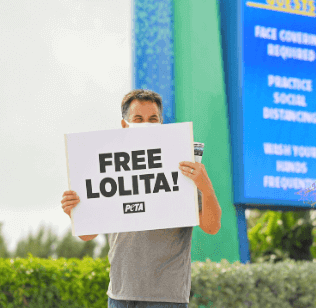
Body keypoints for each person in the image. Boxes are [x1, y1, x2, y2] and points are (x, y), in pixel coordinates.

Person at [60, 89, 222, 308]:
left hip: (167, 297)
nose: (146, 124)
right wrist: (75, 212)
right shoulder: (107, 167)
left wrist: (206, 186)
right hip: (120, 293)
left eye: (152, 119)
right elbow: (88, 235)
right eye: (139, 119)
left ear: (162, 124)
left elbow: (211, 227)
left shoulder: (183, 165)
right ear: (125, 125)